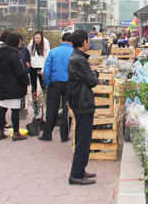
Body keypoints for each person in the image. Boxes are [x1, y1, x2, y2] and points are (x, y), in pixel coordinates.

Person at [68, 30, 98, 185]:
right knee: (82, 140)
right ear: (84, 42)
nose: (89, 43)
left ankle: (80, 170)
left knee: (84, 138)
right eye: (88, 40)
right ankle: (75, 174)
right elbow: (92, 80)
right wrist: (96, 73)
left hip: (81, 102)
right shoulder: (78, 60)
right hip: (82, 103)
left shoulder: (77, 57)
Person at [39, 32, 73, 142]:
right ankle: (64, 136)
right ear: (71, 42)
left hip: (55, 84)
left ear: (61, 40)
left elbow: (47, 69)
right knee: (66, 110)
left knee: (52, 109)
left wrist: (48, 83)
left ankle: (47, 134)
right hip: (69, 84)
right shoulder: (74, 52)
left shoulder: (53, 52)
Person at [0, 33, 29, 141]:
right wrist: (25, 82)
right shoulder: (14, 55)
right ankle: (16, 133)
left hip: (3, 83)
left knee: (2, 107)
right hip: (14, 85)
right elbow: (19, 72)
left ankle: (0, 131)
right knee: (15, 108)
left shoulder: (0, 52)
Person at [27, 31, 50, 114]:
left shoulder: (45, 44)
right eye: (35, 38)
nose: (37, 40)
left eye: (38, 38)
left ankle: (47, 105)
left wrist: (43, 70)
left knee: (44, 87)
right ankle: (35, 106)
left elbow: (47, 57)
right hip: (33, 67)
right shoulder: (31, 44)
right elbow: (29, 53)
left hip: (41, 67)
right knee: (34, 87)